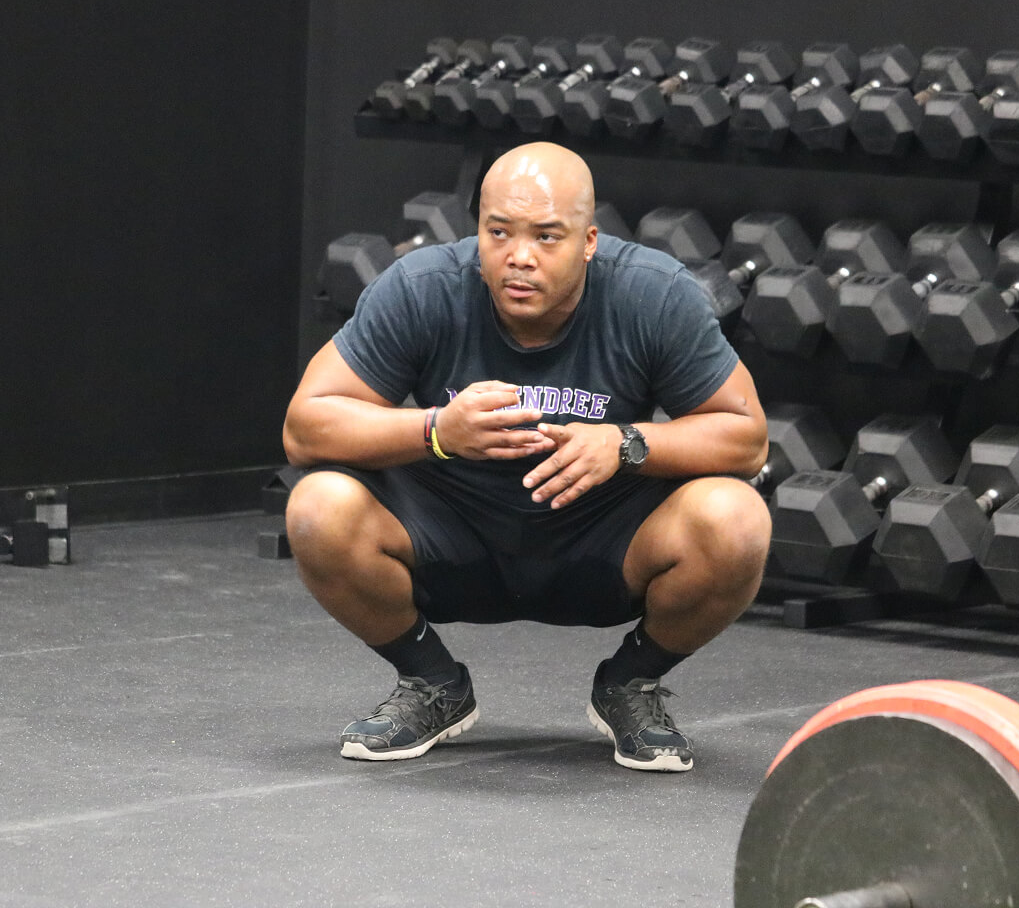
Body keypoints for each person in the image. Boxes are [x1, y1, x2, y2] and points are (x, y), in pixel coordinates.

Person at [282, 142, 771, 772]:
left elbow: (747, 437)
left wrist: (625, 443)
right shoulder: (423, 288)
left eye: (546, 236)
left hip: (602, 541)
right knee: (318, 507)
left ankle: (632, 682)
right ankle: (432, 681)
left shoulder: (654, 295)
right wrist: (436, 430)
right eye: (499, 232)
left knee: (736, 519)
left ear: (588, 242)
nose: (519, 256)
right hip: (451, 535)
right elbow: (306, 427)